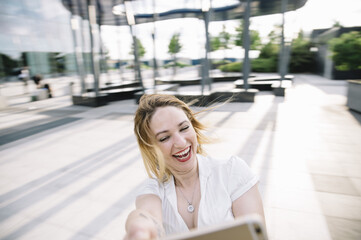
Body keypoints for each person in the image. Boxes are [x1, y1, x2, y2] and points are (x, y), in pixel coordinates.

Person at [124, 94, 265, 240]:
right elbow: (146, 215)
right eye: (164, 138)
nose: (180, 142)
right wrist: (140, 228)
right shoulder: (153, 189)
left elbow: (254, 235)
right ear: (151, 148)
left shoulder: (232, 171)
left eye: (184, 128)